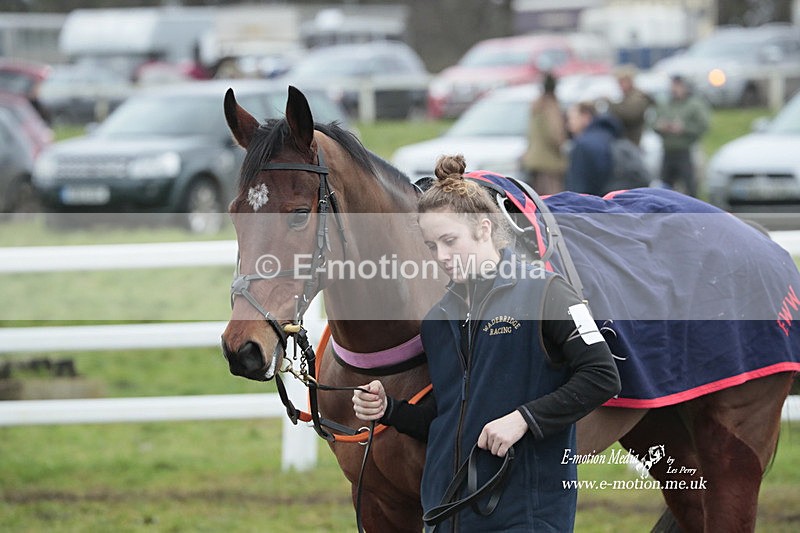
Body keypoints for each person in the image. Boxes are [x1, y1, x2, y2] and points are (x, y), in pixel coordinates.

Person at [352, 154, 621, 531]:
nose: (442, 257)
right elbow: (450, 415)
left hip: (523, 515)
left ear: (482, 228)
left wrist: (523, 420)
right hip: (446, 514)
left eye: (449, 241)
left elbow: (602, 376)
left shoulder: (547, 293)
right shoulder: (438, 320)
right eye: (432, 246)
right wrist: (390, 410)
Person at [652, 75, 710, 197]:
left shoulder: (694, 104)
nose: (675, 89)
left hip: (686, 150)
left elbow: (704, 125)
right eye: (673, 85)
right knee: (664, 187)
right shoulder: (665, 104)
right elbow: (652, 123)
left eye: (678, 86)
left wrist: (685, 128)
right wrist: (661, 126)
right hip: (668, 150)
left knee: (690, 186)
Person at [520, 72, 568, 195]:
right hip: (549, 160)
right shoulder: (551, 106)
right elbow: (555, 134)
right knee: (551, 198)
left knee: (538, 196)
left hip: (535, 158)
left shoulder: (536, 105)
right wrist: (562, 143)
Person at [564, 102, 623, 196]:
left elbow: (577, 191)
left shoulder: (583, 145)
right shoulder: (608, 134)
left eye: (571, 119)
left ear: (585, 117)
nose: (568, 125)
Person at [606, 64, 654, 146]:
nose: (619, 85)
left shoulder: (638, 97)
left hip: (633, 142)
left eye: (621, 82)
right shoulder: (628, 97)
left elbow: (629, 113)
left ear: (629, 81)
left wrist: (611, 105)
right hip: (628, 142)